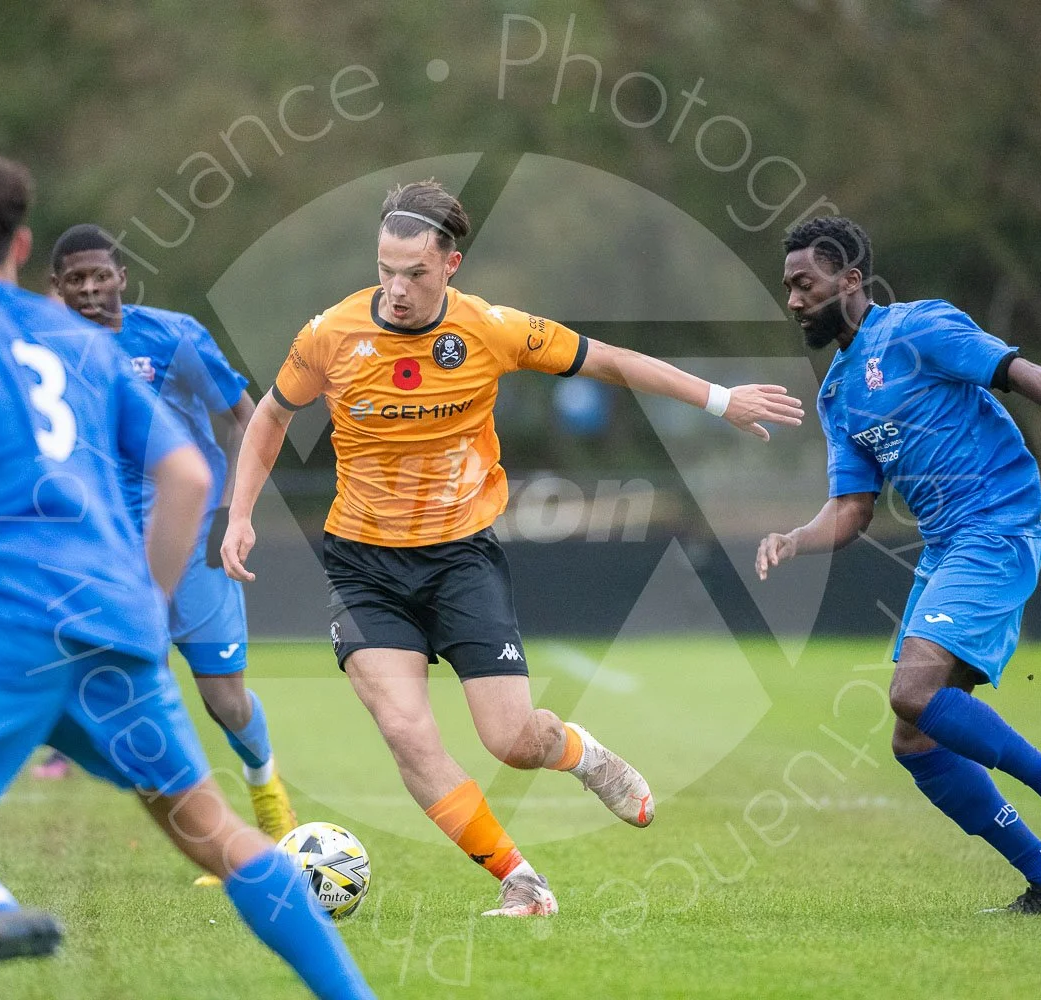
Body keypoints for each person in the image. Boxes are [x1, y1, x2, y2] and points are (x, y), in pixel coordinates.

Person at [0, 149, 372, 998]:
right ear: (21, 243)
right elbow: (187, 474)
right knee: (215, 836)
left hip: (7, 603)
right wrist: (146, 604)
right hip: (114, 612)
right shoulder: (84, 342)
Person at [220, 180, 806, 917]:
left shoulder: (493, 331)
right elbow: (272, 417)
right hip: (362, 564)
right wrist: (241, 514)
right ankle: (520, 879)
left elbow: (613, 362)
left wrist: (720, 400)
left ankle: (585, 755)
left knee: (511, 740)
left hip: (460, 559)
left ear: (452, 265)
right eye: (386, 270)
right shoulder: (331, 335)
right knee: (405, 731)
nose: (397, 290)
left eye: (416, 274)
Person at [756, 216, 1041, 914]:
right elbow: (852, 509)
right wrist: (796, 538)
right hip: (946, 547)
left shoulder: (919, 328)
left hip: (997, 527)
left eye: (805, 283)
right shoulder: (837, 393)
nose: (795, 300)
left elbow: (1021, 372)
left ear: (852, 280)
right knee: (914, 739)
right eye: (788, 288)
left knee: (910, 693)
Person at [37, 224, 296, 841]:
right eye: (76, 279)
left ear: (123, 277)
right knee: (119, 692)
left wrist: (234, 510)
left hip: (194, 541)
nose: (92, 287)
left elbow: (246, 417)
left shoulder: (172, 336)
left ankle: (267, 792)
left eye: (102, 274)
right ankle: (215, 836)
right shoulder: (43, 355)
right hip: (108, 551)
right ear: (57, 288)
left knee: (225, 702)